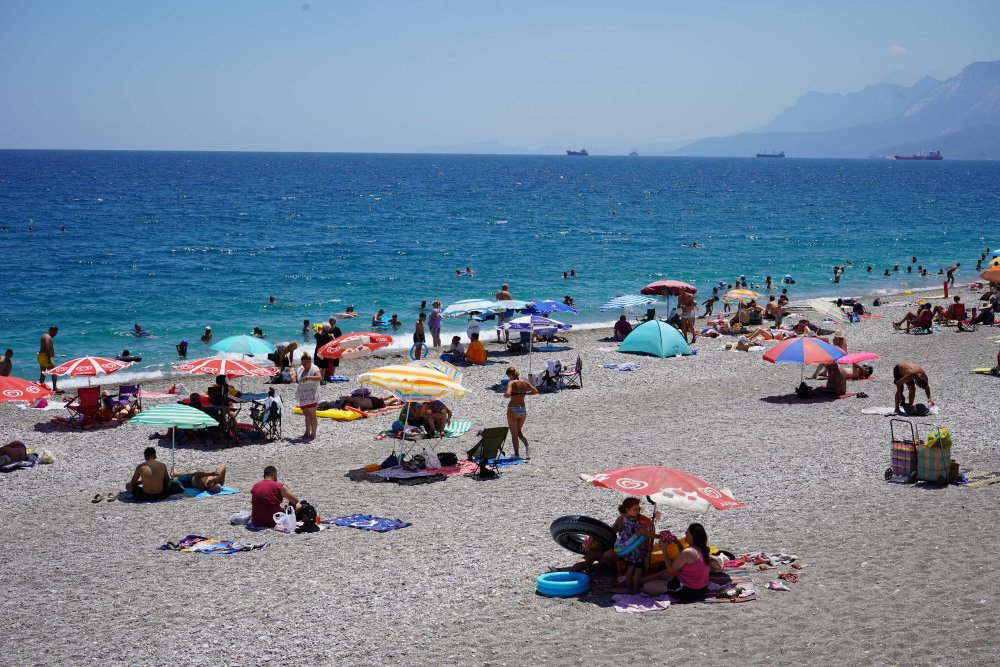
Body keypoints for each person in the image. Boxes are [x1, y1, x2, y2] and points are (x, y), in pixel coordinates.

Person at [640, 523, 711, 602]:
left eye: (687, 532)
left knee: (646, 587)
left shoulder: (688, 552)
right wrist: (677, 542)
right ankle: (640, 580)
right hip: (701, 588)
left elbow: (670, 570)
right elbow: (684, 556)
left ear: (692, 535)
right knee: (664, 573)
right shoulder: (701, 549)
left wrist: (664, 549)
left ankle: (639, 583)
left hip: (688, 590)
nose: (685, 533)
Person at [504, 367, 538, 459]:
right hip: (522, 409)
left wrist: (505, 394)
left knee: (514, 434)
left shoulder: (511, 383)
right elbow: (535, 391)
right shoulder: (524, 382)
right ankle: (527, 446)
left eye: (508, 376)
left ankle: (516, 454)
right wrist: (524, 393)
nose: (508, 378)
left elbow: (507, 394)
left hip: (513, 409)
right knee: (519, 431)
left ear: (511, 375)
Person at [295, 353, 322, 440]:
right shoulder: (301, 369)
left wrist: (307, 378)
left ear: (310, 361)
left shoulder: (314, 368)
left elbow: (319, 378)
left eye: (305, 364)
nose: (304, 366)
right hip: (303, 394)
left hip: (311, 394)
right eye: (302, 364)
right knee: (306, 414)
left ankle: (313, 434)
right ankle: (307, 432)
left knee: (312, 415)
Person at [38, 326, 59, 393]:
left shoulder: (43, 335)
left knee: (43, 372)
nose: (55, 334)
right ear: (52, 330)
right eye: (55, 332)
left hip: (41, 356)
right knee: (54, 371)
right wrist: (49, 356)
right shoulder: (48, 337)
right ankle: (55, 388)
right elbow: (47, 345)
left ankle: (41, 386)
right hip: (45, 356)